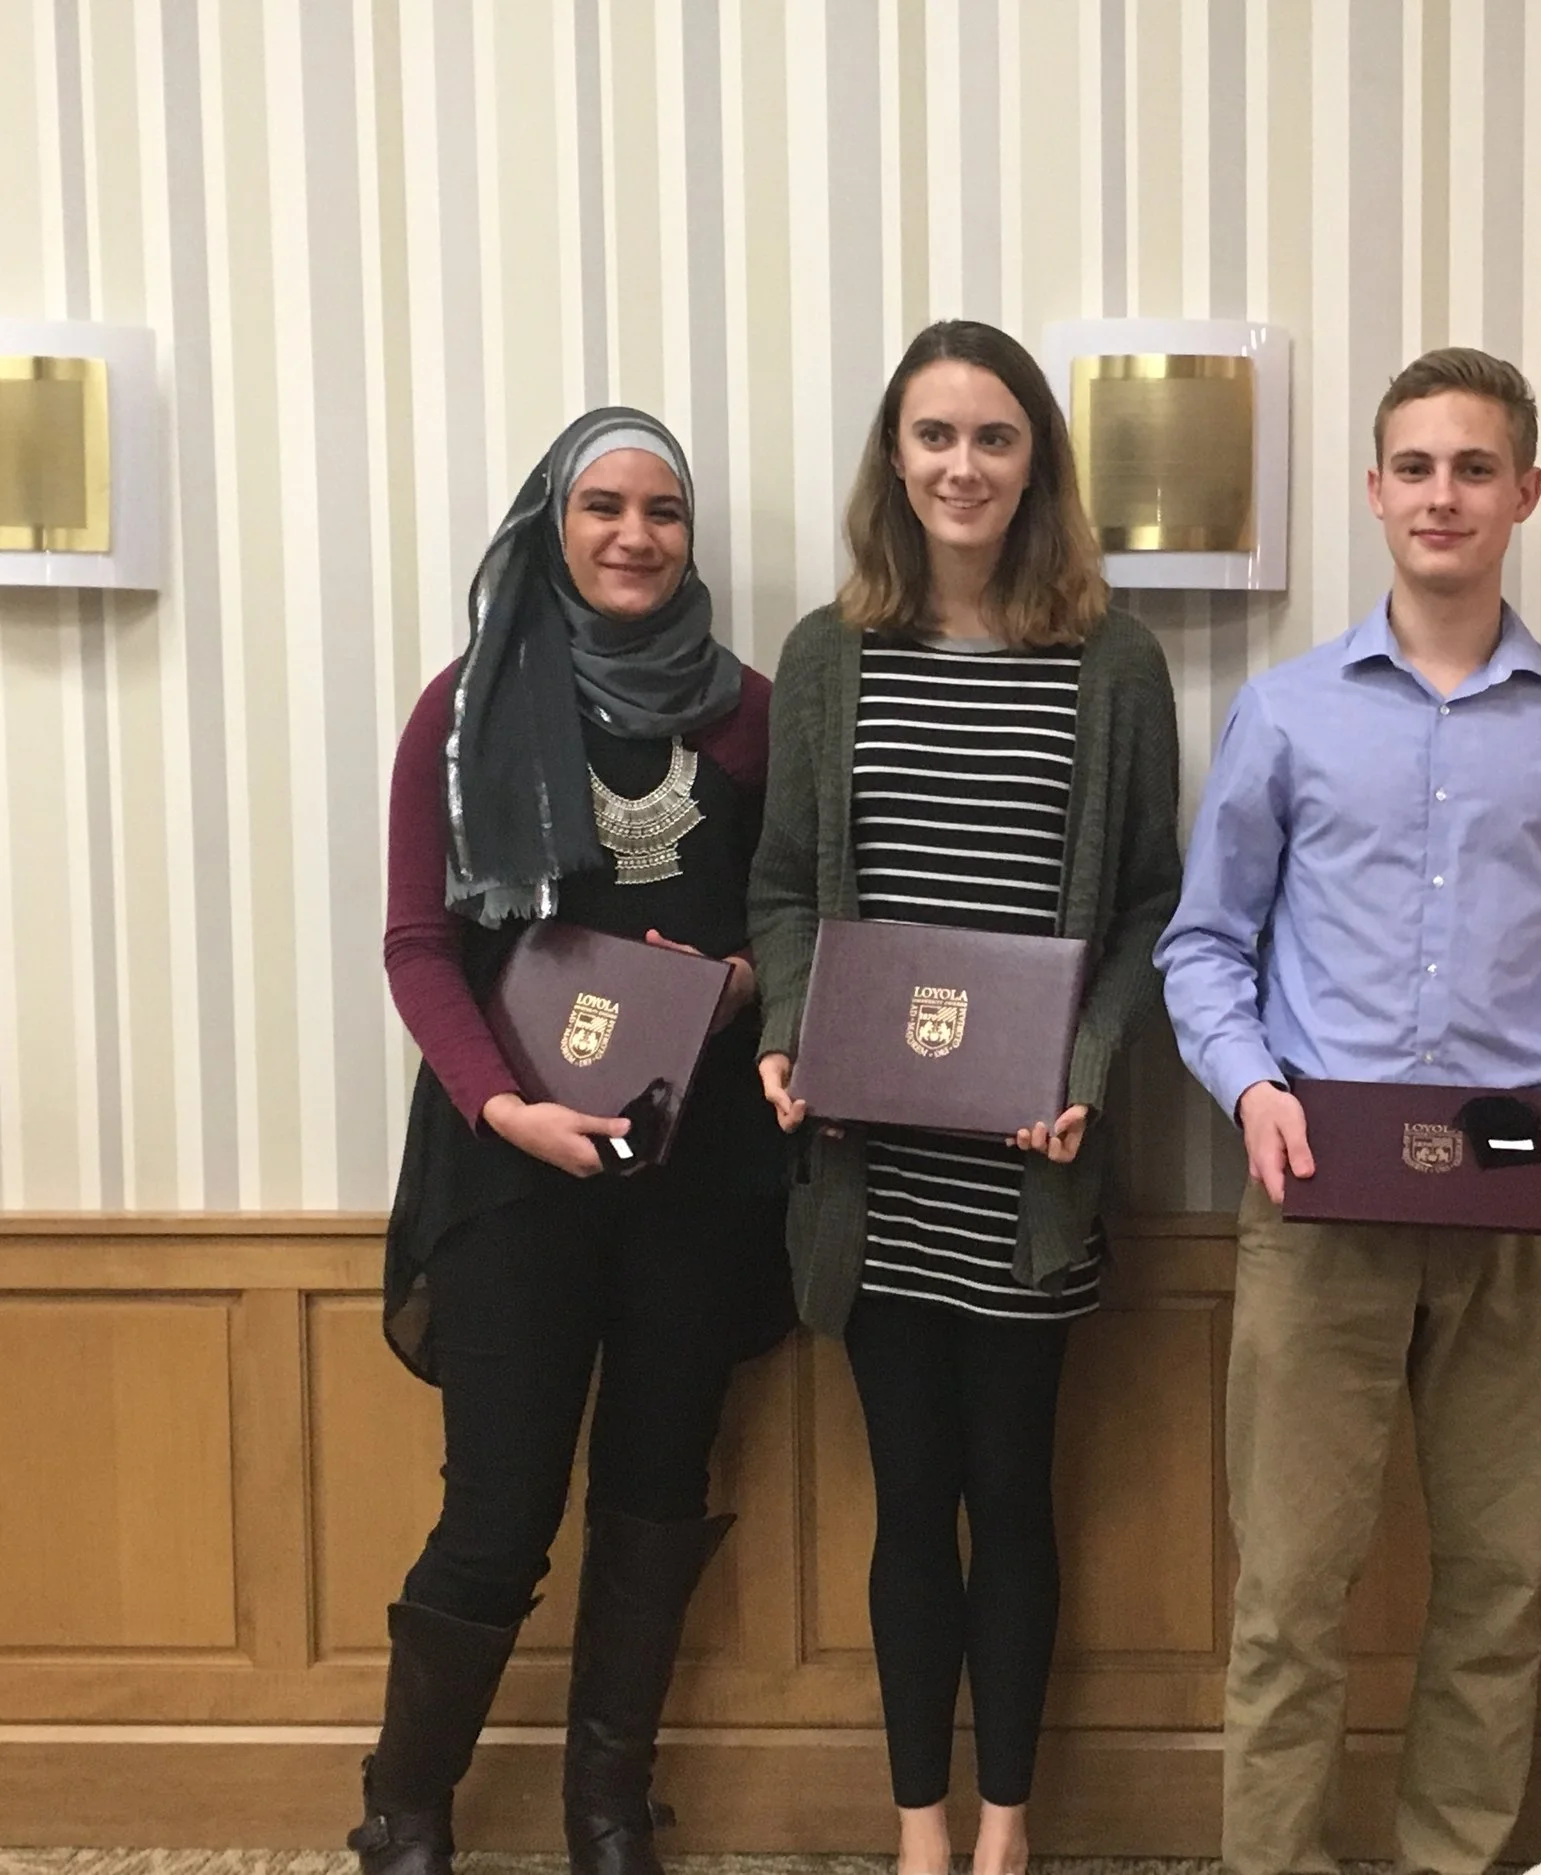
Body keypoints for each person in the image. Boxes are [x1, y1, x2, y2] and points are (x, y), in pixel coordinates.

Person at [1156, 347, 1541, 1875]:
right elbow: (1204, 943)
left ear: (1524, 492)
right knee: (1288, 1599)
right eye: (1413, 465)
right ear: (1375, 490)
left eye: (1473, 466)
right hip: (1317, 1201)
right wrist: (1248, 1086)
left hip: (1525, 1214)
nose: (1441, 493)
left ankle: (1453, 1861)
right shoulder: (1286, 713)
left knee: (1497, 1591)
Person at [747, 319, 1182, 1875]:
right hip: (872, 1172)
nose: (962, 466)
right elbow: (787, 886)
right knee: (908, 1501)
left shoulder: (1112, 663)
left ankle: (1009, 1826)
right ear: (894, 462)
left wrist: (1080, 1076)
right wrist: (787, 1034)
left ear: (1039, 465)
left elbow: (1145, 907)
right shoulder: (828, 654)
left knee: (1013, 1495)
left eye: (994, 437)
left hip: (1025, 1167)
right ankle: (918, 1826)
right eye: (933, 436)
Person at [363, 408, 792, 1875]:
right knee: (499, 1510)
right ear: (552, 521)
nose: (633, 534)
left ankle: (608, 1810)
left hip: (695, 1173)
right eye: (602, 505)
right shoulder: (466, 708)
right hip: (511, 1166)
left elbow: (795, 917)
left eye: (662, 510)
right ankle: (403, 1809)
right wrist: (505, 1107)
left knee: (660, 1494)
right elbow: (421, 946)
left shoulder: (749, 714)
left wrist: (740, 982)